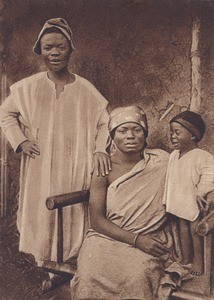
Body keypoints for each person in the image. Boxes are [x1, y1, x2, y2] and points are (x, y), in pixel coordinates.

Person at [0, 18, 111, 266]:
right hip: (41, 161)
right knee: (42, 206)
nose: (54, 53)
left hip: (75, 162)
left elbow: (105, 122)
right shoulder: (28, 87)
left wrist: (99, 149)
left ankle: (70, 260)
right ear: (40, 51)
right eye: (48, 47)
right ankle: (44, 260)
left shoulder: (86, 89)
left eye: (60, 47)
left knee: (71, 208)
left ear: (70, 49)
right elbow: (5, 113)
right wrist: (20, 141)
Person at [70, 106, 178, 300]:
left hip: (148, 235)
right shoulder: (104, 167)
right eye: (122, 130)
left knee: (137, 276)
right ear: (112, 136)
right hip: (106, 238)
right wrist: (136, 240)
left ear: (145, 134)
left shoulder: (162, 162)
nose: (130, 136)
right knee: (89, 275)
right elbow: (96, 221)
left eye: (137, 130)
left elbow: (192, 172)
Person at [163, 110, 214, 276]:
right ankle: (185, 259)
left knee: (194, 231)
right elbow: (170, 177)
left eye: (177, 133)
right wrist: (167, 199)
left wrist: (202, 191)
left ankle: (198, 261)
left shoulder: (202, 156)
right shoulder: (173, 156)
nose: (173, 137)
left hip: (192, 202)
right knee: (182, 229)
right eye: (171, 133)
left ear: (193, 135)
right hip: (179, 201)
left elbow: (209, 175)